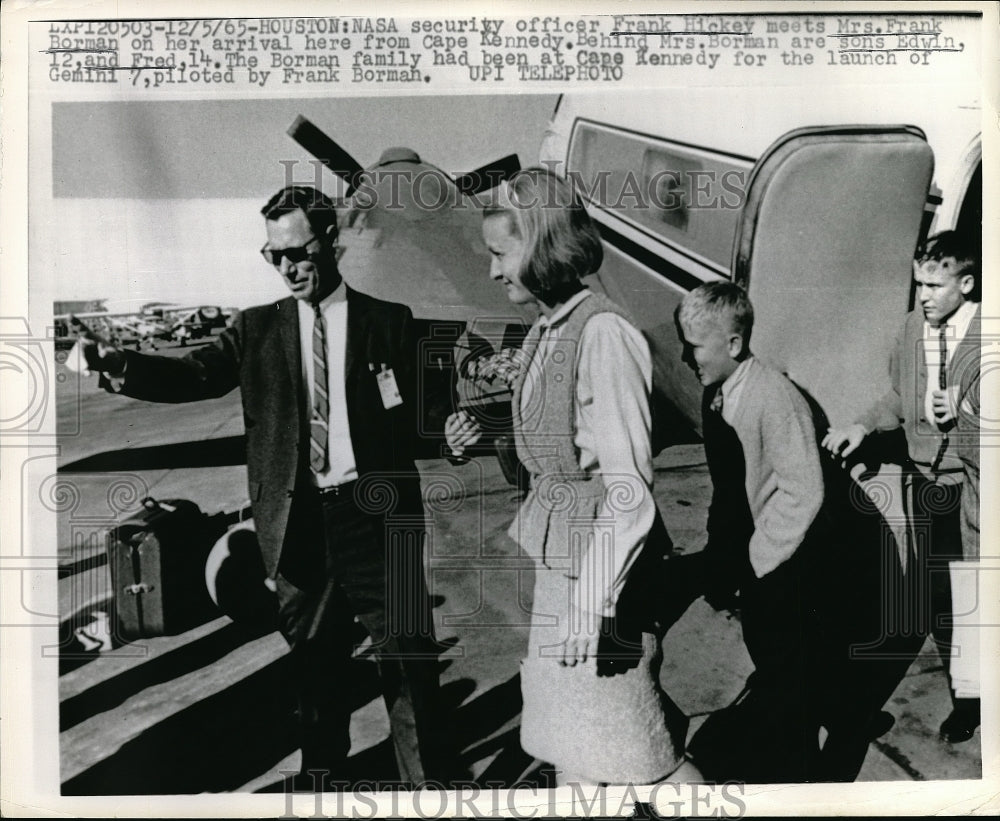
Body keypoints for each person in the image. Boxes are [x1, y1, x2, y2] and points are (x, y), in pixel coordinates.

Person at [71, 185, 452, 787]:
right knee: (315, 682)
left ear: (331, 241)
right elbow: (194, 375)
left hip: (381, 523)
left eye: (298, 251)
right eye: (273, 255)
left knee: (410, 670)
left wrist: (457, 427)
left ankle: (428, 792)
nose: (287, 267)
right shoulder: (256, 331)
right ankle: (325, 789)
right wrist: (119, 363)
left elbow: (429, 415)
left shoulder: (389, 322)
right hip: (300, 530)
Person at [446, 168, 699, 786]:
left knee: (641, 757)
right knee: (580, 751)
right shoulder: (548, 328)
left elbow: (628, 489)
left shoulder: (604, 333)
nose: (493, 271)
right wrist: (490, 433)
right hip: (568, 574)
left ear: (539, 244)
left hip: (599, 581)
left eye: (500, 253)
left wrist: (592, 605)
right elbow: (564, 446)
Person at [823, 230, 982, 744]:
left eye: (935, 286)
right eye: (918, 284)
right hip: (924, 487)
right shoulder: (912, 328)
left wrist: (962, 415)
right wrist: (862, 426)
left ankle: (974, 701)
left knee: (974, 600)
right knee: (935, 598)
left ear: (967, 283)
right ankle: (969, 693)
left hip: (972, 492)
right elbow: (897, 394)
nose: (924, 296)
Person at [676, 282, 825, 783]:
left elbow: (804, 490)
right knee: (771, 664)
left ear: (734, 345)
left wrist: (761, 557)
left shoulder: (774, 399)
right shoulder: (718, 393)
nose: (684, 354)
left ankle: (798, 775)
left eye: (695, 345)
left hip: (780, 567)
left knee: (788, 675)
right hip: (749, 560)